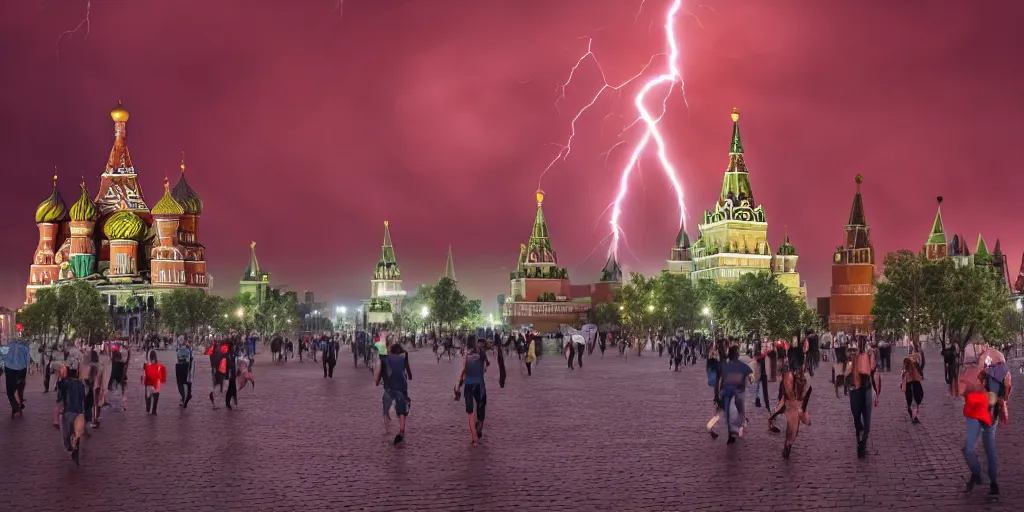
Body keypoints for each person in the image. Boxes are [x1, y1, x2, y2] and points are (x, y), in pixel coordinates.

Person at [375, 344, 412, 445]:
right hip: (402, 385)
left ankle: (388, 420)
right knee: (402, 409)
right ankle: (401, 430)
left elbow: (378, 377)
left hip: (390, 386)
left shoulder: (385, 359)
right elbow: (409, 374)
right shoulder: (403, 358)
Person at [718, 345, 753, 444]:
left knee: (727, 413)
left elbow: (721, 380)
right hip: (739, 391)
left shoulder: (726, 366)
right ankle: (738, 428)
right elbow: (751, 376)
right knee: (741, 411)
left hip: (727, 391)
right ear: (737, 355)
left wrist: (718, 394)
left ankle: (731, 434)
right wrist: (751, 379)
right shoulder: (742, 365)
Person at [457, 337, 489, 446]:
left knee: (470, 412)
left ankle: (475, 438)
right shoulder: (481, 354)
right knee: (481, 406)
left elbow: (462, 372)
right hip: (480, 385)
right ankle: (480, 425)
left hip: (469, 385)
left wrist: (457, 387)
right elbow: (485, 368)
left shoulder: (466, 355)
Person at [58, 365, 87, 465]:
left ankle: (70, 447)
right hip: (78, 412)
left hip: (68, 411)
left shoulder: (65, 383)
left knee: (66, 434)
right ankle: (75, 454)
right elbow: (83, 399)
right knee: (77, 433)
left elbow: (60, 396)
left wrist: (61, 377)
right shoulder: (80, 384)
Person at [3, 338, 30, 418]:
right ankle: (18, 405)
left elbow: (3, 355)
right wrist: (28, 367)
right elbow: (27, 356)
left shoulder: (8, 344)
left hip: (10, 368)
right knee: (20, 387)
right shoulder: (24, 345)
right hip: (22, 368)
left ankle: (16, 407)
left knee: (10, 389)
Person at [901, 349, 924, 424]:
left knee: (914, 400)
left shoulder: (913, 365)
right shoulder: (908, 367)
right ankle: (914, 417)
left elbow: (921, 366)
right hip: (911, 384)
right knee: (913, 401)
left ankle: (914, 415)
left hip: (913, 384)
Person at [142, 350, 166, 415]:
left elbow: (144, 374)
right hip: (156, 384)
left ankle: (148, 408)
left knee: (148, 398)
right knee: (155, 398)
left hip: (149, 384)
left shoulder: (146, 364)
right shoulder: (159, 365)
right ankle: (154, 411)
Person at [175, 339, 194, 408]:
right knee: (187, 382)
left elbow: (178, 357)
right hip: (186, 367)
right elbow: (189, 360)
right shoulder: (188, 350)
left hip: (179, 366)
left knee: (180, 384)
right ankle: (187, 395)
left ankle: (184, 397)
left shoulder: (179, 349)